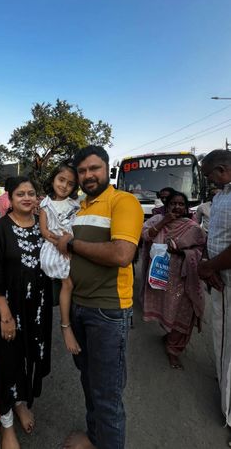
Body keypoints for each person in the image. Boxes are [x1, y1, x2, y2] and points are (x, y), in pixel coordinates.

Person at [56, 145, 144, 449]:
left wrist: (72, 244)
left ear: (107, 169)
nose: (88, 175)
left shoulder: (124, 202)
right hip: (80, 307)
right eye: (82, 171)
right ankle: (95, 439)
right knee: (90, 383)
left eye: (94, 168)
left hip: (108, 313)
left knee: (107, 395)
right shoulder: (80, 207)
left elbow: (122, 254)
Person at [0, 176, 53, 449]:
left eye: (31, 193)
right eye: (20, 194)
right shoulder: (0, 230)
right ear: (10, 199)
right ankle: (6, 426)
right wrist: (5, 315)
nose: (27, 198)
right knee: (7, 364)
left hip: (36, 310)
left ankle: (21, 403)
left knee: (28, 359)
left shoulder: (43, 228)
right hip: (8, 311)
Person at [142, 191, 206, 370]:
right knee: (167, 310)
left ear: (186, 208)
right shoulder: (157, 221)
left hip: (185, 278)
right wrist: (164, 221)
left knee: (184, 314)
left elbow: (201, 250)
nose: (177, 207)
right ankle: (170, 337)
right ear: (167, 207)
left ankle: (174, 350)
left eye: (181, 204)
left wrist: (183, 252)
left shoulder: (193, 227)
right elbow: (145, 236)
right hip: (162, 276)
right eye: (173, 204)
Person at [198, 149, 231, 442]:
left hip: (227, 279)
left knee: (228, 344)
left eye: (209, 175)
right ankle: (225, 385)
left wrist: (209, 266)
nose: (208, 180)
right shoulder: (222, 196)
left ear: (222, 169)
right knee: (223, 341)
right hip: (221, 278)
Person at [39, 163, 81, 354]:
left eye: (70, 184)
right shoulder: (45, 205)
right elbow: (44, 231)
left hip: (72, 246)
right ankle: (66, 325)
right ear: (53, 179)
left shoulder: (75, 205)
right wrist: (59, 243)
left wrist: (70, 240)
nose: (64, 186)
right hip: (55, 249)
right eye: (61, 180)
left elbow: (78, 227)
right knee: (68, 284)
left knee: (73, 283)